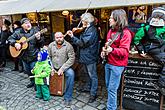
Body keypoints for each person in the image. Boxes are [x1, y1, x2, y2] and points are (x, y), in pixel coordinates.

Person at [100, 9, 132, 110]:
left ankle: (111, 108)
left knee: (112, 89)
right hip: (108, 62)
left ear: (118, 19)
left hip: (117, 65)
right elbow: (108, 45)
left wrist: (112, 49)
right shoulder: (111, 30)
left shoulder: (126, 33)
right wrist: (104, 51)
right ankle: (111, 106)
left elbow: (124, 52)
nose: (109, 19)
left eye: (111, 17)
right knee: (109, 87)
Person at [67, 12, 99, 103]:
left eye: (82, 20)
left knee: (92, 75)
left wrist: (73, 37)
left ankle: (93, 93)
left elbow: (83, 43)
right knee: (87, 73)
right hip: (86, 55)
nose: (81, 22)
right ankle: (88, 88)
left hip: (90, 56)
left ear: (86, 21)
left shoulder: (92, 30)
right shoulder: (87, 28)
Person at [133, 7, 165, 95]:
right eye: (156, 17)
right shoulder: (146, 28)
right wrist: (141, 50)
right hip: (152, 48)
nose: (157, 19)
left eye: (160, 17)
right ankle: (161, 84)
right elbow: (136, 39)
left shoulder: (163, 28)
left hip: (161, 48)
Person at [8, 18, 44, 88]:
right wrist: (15, 44)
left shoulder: (35, 31)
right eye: (26, 23)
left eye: (29, 23)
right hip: (24, 57)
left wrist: (39, 39)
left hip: (34, 56)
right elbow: (10, 38)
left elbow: (41, 44)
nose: (28, 24)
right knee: (28, 71)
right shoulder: (18, 32)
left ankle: (37, 85)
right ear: (22, 25)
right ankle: (32, 82)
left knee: (35, 71)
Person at [48, 32, 75, 107]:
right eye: (57, 37)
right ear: (54, 38)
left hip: (64, 67)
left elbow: (72, 58)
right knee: (42, 71)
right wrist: (51, 68)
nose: (59, 39)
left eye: (60, 37)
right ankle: (47, 92)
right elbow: (48, 57)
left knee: (71, 74)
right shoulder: (51, 45)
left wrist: (62, 69)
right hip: (53, 67)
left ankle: (68, 98)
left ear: (63, 37)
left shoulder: (68, 46)